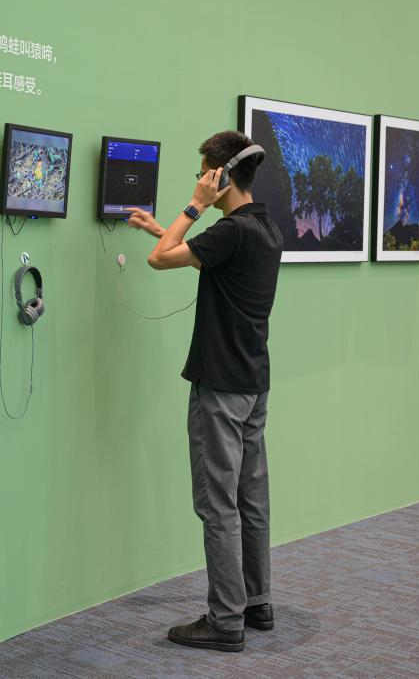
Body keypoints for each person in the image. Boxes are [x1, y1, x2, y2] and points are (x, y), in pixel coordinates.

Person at [125, 130, 283, 653]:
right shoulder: (263, 229)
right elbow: (189, 251)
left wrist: (193, 206)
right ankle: (257, 602)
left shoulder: (227, 231)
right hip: (253, 385)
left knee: (217, 506)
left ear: (219, 176)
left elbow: (159, 260)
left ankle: (225, 620)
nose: (199, 181)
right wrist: (161, 228)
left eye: (203, 174)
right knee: (250, 499)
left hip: (219, 388)